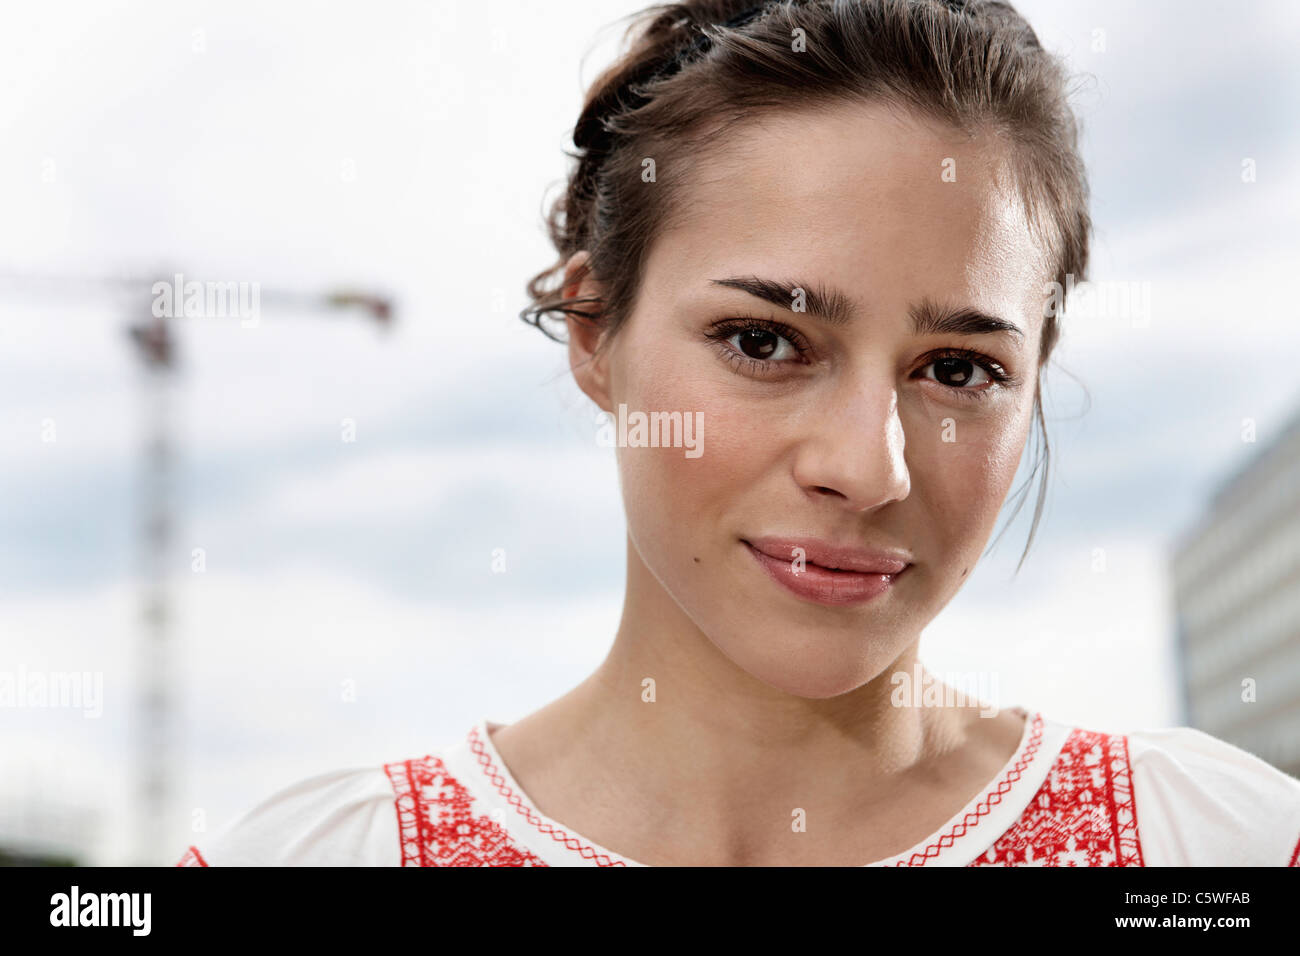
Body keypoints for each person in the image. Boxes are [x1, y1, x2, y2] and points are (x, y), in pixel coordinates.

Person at [177, 0, 1300, 867]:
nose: (866, 467)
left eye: (958, 369)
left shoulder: (1208, 848)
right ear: (592, 328)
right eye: (765, 342)